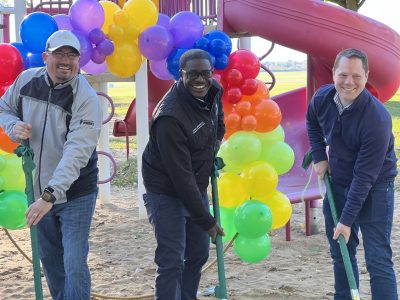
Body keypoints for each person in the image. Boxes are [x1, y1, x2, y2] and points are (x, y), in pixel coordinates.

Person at [0, 30, 102, 300]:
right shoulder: (26, 80)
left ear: (79, 61)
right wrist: (13, 125)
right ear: (45, 57)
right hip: (38, 187)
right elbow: (3, 108)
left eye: (72, 55)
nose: (65, 61)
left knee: (74, 263)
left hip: (76, 191)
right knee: (51, 262)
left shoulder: (87, 100)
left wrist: (49, 196)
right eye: (59, 54)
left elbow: (76, 153)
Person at [306, 48, 398, 299]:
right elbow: (312, 122)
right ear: (333, 73)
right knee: (341, 250)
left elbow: (365, 177)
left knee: (377, 256)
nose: (349, 82)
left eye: (356, 76)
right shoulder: (322, 98)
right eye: (343, 74)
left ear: (366, 76)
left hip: (376, 185)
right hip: (339, 179)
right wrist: (319, 156)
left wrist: (346, 221)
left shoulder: (377, 118)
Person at [142, 49, 225, 300]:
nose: (200, 80)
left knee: (199, 252)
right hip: (165, 189)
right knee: (172, 258)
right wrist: (207, 221)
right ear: (181, 75)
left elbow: (218, 123)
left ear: (212, 73)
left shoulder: (214, 91)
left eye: (205, 73)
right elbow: (181, 177)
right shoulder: (169, 117)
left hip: (194, 181)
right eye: (193, 74)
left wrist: (213, 148)